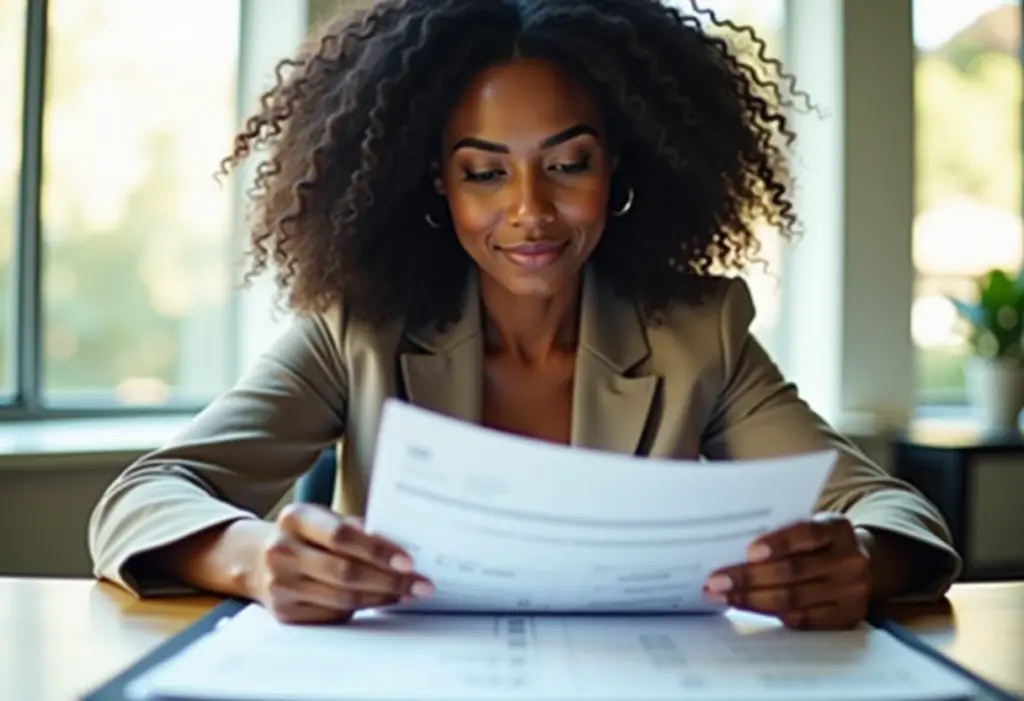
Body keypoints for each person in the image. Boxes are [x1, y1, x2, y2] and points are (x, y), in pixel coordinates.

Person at [88, 0, 960, 630]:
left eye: (567, 163)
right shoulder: (357, 327)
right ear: (437, 181)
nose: (530, 210)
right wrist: (252, 558)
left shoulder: (701, 331)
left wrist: (860, 564)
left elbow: (894, 513)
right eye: (485, 172)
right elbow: (142, 498)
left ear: (618, 167)